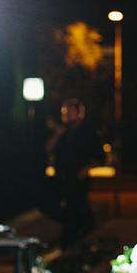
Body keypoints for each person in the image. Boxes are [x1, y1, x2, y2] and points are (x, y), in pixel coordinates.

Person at [43, 97, 105, 248]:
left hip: (78, 179)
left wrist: (87, 168)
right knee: (53, 206)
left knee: (75, 208)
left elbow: (100, 157)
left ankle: (75, 242)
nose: (67, 115)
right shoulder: (61, 132)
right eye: (65, 112)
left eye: (71, 112)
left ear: (79, 114)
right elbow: (47, 149)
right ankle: (78, 236)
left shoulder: (87, 133)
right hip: (61, 177)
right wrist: (57, 135)